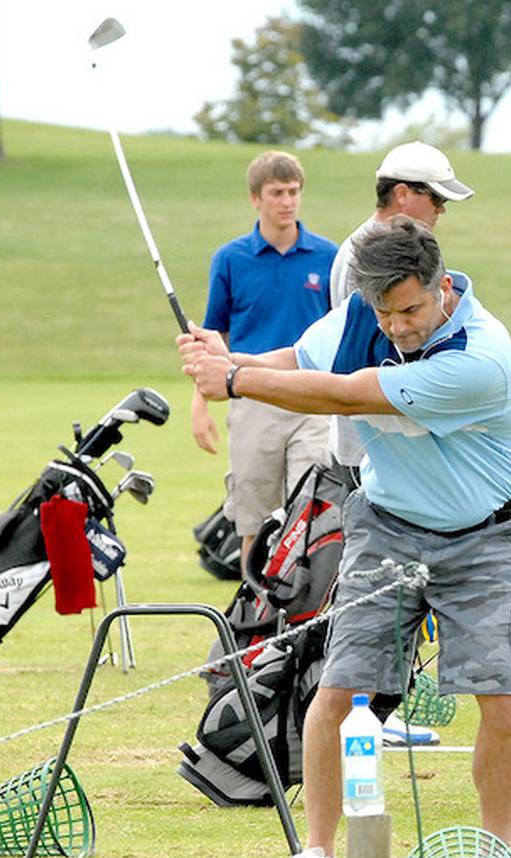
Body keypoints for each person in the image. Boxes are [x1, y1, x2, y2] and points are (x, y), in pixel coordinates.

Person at [176, 217, 511, 858]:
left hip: (490, 533)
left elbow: (345, 394)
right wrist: (229, 360)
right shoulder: (361, 317)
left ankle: (498, 855)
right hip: (388, 524)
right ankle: (314, 857)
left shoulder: (479, 357)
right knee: (344, 686)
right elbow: (305, 360)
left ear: (443, 287)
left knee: (502, 694)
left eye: (409, 310)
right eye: (384, 312)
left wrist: (235, 379)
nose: (397, 326)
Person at [328, 141, 473, 747]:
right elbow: (366, 364)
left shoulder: (401, 252)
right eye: (437, 198)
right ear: (405, 195)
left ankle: (378, 711)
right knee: (376, 597)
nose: (441, 210)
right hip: (371, 457)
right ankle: (365, 714)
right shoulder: (365, 257)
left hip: (392, 452)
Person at [197, 150, 337, 571]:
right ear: (255, 198)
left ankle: (302, 610)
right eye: (277, 192)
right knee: (253, 512)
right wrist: (200, 404)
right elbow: (213, 338)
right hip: (251, 396)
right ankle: (253, 612)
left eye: (294, 192)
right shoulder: (230, 259)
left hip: (312, 397)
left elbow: (339, 330)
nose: (287, 201)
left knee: (310, 506)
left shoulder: (327, 257)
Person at [328, 141, 473, 308]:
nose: (441, 209)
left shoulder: (363, 242)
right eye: (436, 198)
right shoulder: (380, 251)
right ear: (402, 193)